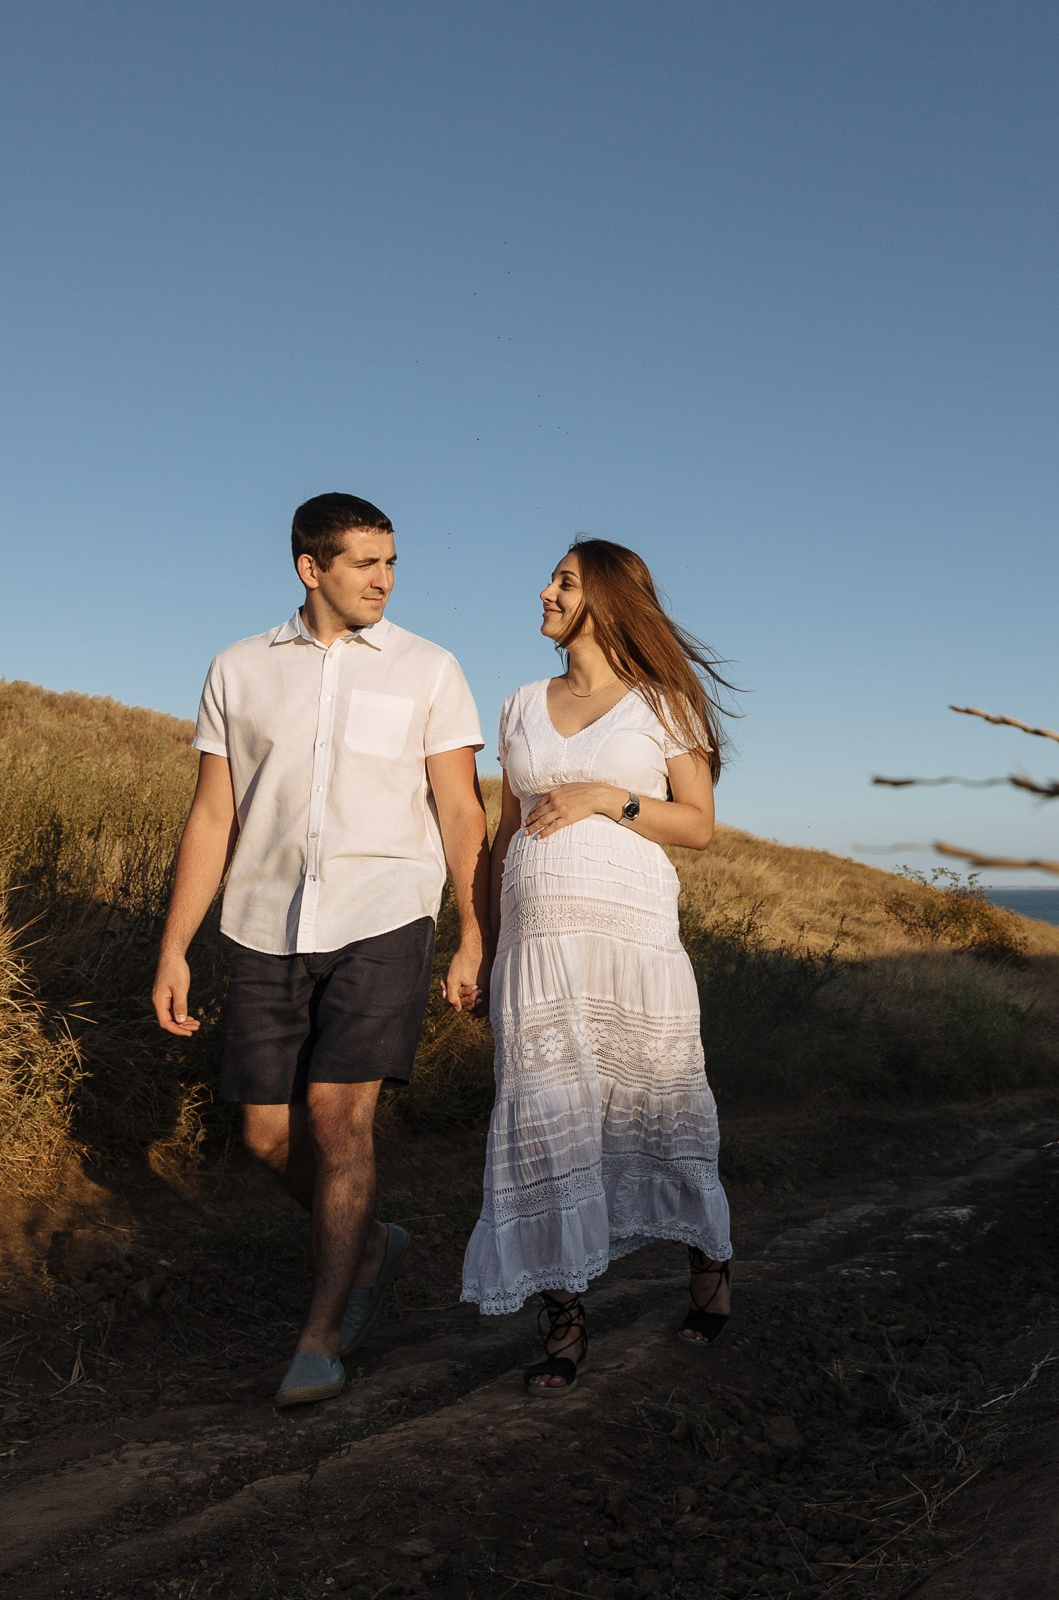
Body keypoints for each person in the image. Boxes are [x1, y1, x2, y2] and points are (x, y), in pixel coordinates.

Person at [152, 492, 488, 1408]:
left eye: (391, 564)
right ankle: (373, 1243)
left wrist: (473, 928)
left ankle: (320, 1336)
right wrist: (175, 946)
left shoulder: (429, 668)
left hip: (384, 912)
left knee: (340, 1123)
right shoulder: (239, 669)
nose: (384, 579)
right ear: (312, 568)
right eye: (365, 564)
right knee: (266, 1135)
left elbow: (461, 809)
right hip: (263, 920)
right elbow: (213, 813)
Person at [460, 537, 735, 1394]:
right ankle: (565, 1319)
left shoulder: (663, 703)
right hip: (539, 950)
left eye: (565, 581)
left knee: (659, 1106)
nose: (545, 591)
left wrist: (604, 797)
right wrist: (482, 939)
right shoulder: (517, 705)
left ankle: (709, 1265)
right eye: (553, 578)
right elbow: (503, 835)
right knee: (545, 1122)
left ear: (607, 600)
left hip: (632, 946)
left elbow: (697, 824)